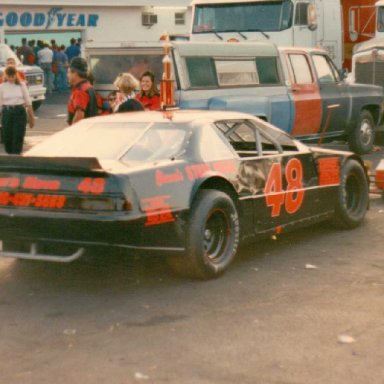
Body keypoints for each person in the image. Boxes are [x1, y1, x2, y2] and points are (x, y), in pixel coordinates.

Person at [0, 66, 35, 154]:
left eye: (13, 76)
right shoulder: (2, 86)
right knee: (7, 137)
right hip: (7, 112)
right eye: (9, 76)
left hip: (19, 112)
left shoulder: (21, 85)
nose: (11, 78)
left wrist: (31, 118)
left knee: (17, 136)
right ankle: (10, 154)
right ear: (6, 76)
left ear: (16, 75)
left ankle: (16, 156)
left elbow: (28, 101)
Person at [67, 57, 98, 125]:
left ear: (75, 73)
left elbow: (79, 115)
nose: (67, 75)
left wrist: (71, 131)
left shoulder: (80, 91)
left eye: (68, 72)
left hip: (81, 130)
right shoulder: (88, 85)